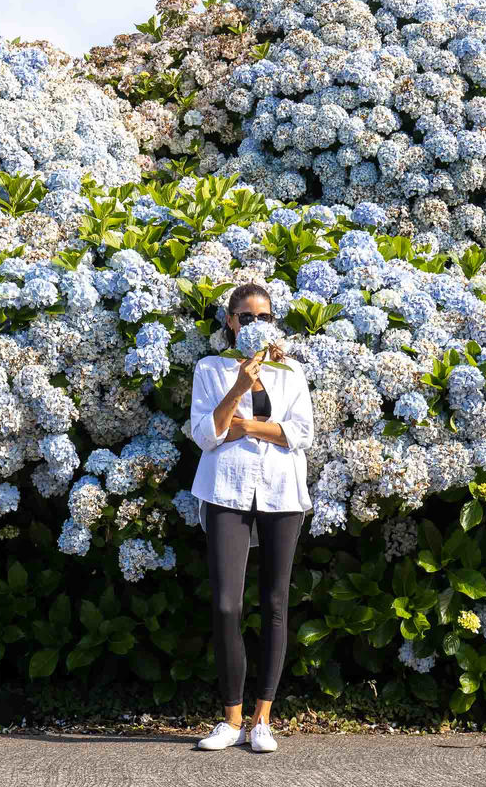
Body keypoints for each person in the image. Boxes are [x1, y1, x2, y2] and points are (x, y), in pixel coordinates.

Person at [188, 283, 314, 753]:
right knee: (226, 605)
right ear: (230, 322)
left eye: (263, 315)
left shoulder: (291, 371)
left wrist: (243, 426)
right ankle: (230, 718)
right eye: (245, 315)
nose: (254, 323)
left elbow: (301, 433)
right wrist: (239, 388)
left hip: (282, 492)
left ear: (272, 320)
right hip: (226, 489)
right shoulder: (210, 368)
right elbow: (206, 434)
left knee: (275, 603)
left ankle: (263, 718)